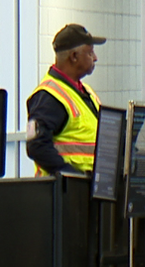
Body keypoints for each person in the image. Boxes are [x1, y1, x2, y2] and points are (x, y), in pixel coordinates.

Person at [25, 23, 106, 176]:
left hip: (89, 188)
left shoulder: (85, 91)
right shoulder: (49, 96)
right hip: (66, 193)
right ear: (74, 56)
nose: (95, 58)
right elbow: (37, 146)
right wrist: (70, 176)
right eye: (90, 52)